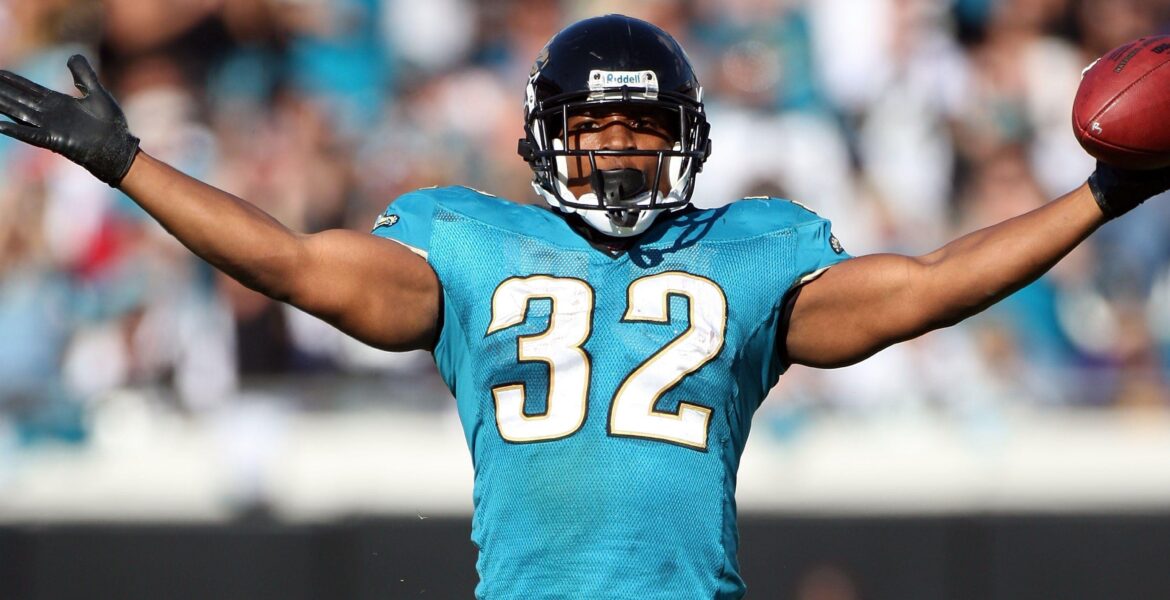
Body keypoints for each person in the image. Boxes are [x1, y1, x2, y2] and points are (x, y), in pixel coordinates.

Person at [0, 13, 1167, 600]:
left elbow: (927, 287)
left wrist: (1101, 197)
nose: (616, 148)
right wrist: (128, 164)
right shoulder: (466, 242)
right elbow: (297, 267)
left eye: (640, 127)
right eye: (593, 126)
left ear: (684, 139)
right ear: (543, 138)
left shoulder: (749, 251)